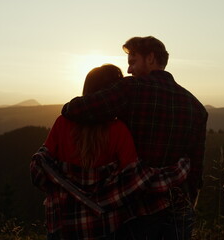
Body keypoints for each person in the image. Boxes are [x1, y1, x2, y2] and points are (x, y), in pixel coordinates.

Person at [61, 36, 208, 239]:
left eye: (132, 61)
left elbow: (77, 109)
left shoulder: (131, 88)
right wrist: (188, 205)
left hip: (138, 210)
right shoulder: (196, 107)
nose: (129, 70)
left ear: (150, 58)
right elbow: (196, 168)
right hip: (180, 211)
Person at [30, 64, 191, 240]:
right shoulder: (118, 130)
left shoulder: (62, 123)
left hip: (63, 227)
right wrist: (180, 168)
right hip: (104, 228)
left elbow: (44, 164)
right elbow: (135, 179)